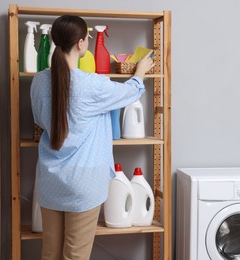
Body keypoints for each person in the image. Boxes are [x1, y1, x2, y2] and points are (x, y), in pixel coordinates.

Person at [30, 15, 154, 260]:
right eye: (87, 36)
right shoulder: (93, 85)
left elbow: (39, 120)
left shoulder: (39, 81)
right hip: (84, 182)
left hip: (50, 181)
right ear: (80, 44)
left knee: (50, 253)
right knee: (75, 255)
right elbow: (129, 92)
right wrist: (139, 73)